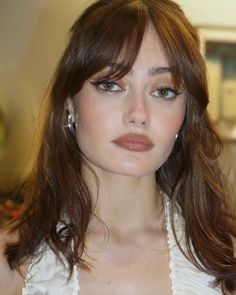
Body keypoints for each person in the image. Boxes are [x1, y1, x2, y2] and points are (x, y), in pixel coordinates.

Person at [0, 0, 236, 294]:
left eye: (163, 91)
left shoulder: (226, 259)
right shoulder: (10, 263)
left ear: (185, 114)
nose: (138, 113)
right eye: (111, 85)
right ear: (70, 102)